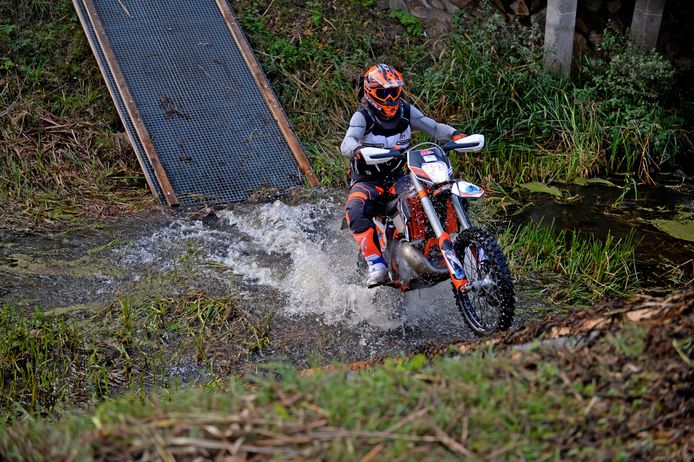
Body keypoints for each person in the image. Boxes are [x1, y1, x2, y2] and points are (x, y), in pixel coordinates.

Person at [341, 63, 466, 287]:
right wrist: (357, 150)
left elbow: (435, 128)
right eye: (383, 93)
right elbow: (347, 142)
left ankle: (432, 246)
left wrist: (455, 135)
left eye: (393, 92)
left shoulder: (406, 111)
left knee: (432, 193)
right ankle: (376, 265)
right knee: (355, 208)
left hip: (398, 177)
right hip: (368, 180)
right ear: (370, 93)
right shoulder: (363, 116)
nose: (389, 98)